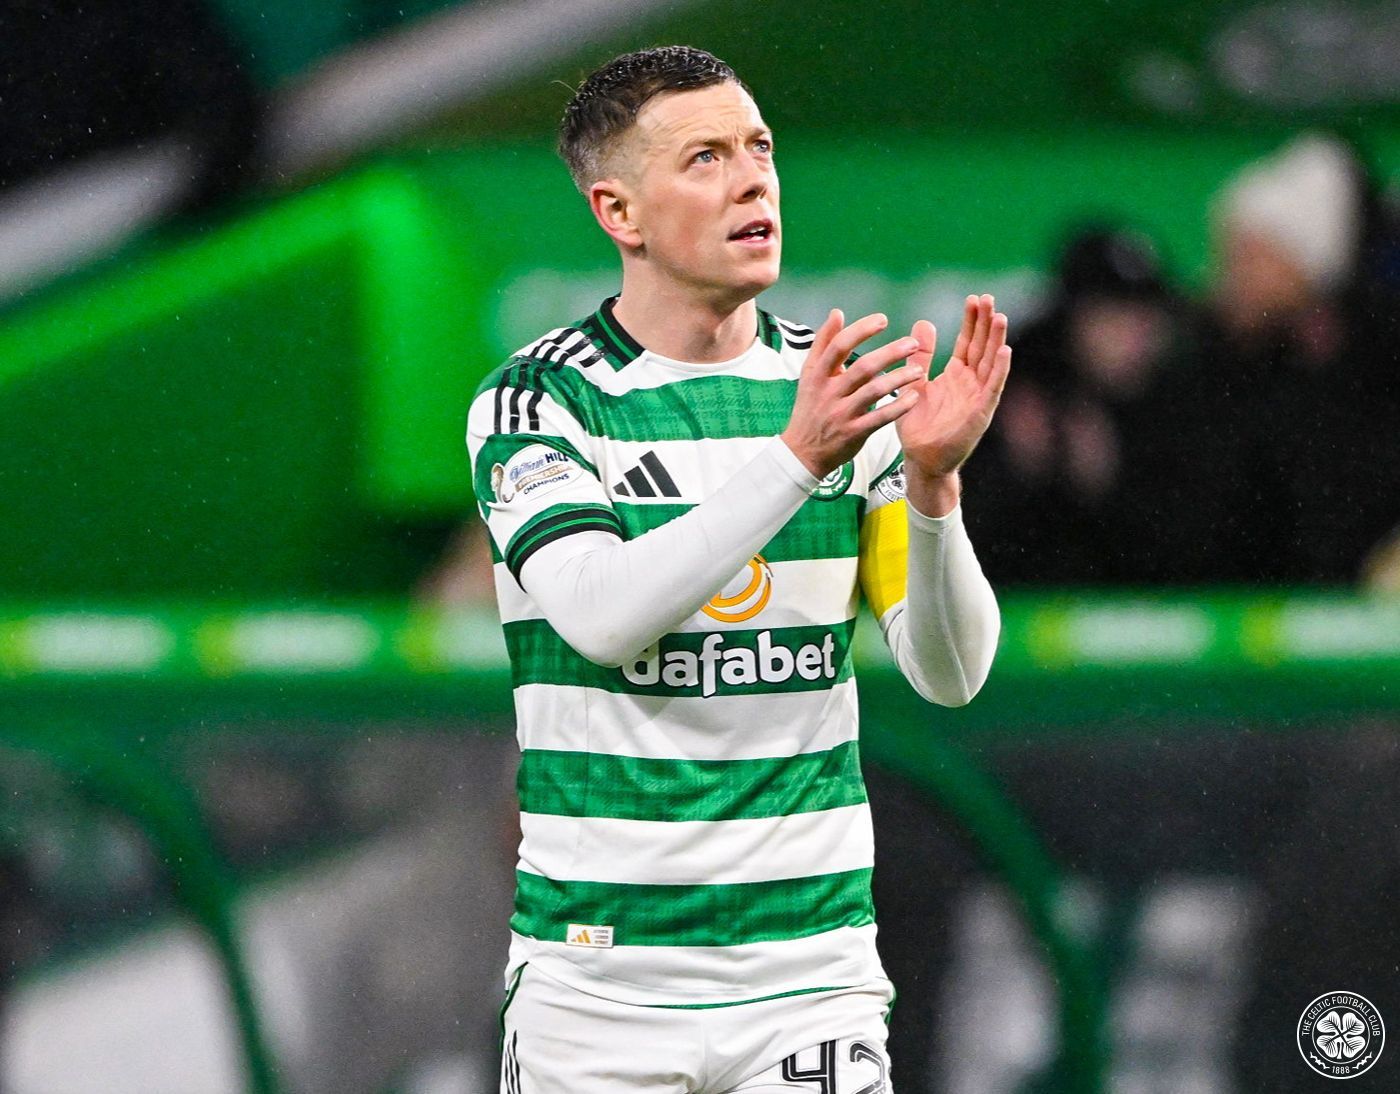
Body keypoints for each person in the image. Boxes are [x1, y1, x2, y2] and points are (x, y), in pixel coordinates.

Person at [465, 46, 1009, 1093]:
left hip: (809, 981)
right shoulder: (540, 403)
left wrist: (934, 488)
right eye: (705, 158)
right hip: (601, 989)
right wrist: (796, 459)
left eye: (758, 149)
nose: (753, 179)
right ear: (619, 212)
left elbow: (950, 671)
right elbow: (601, 616)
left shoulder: (847, 405)